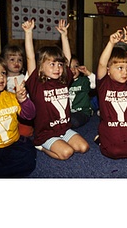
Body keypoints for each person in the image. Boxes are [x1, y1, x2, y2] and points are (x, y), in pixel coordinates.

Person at [22, 19, 89, 160]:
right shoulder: (36, 83)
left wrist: (64, 36)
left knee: (84, 148)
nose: (57, 68)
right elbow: (30, 57)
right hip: (46, 133)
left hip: (64, 129)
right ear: (41, 66)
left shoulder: (63, 81)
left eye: (59, 65)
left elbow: (68, 59)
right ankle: (40, 146)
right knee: (66, 153)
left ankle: (59, 142)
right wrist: (28, 33)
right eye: (52, 64)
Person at [96, 26, 127, 159]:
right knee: (113, 153)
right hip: (110, 128)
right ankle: (100, 139)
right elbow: (102, 63)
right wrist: (111, 43)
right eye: (120, 68)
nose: (125, 71)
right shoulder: (104, 83)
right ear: (109, 70)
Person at [0, 54, 36, 177]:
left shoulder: (11, 97)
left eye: (3, 73)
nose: (1, 77)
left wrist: (23, 100)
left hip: (13, 143)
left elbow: (30, 116)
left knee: (28, 157)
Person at [0, 44, 34, 137]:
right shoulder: (1, 79)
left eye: (20, 60)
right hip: (7, 113)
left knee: (25, 133)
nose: (16, 63)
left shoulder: (26, 78)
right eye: (12, 59)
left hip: (23, 113)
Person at [69, 54, 96, 129]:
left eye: (75, 66)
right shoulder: (62, 83)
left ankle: (92, 107)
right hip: (67, 113)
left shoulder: (83, 81)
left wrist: (87, 72)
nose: (73, 70)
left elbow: (98, 84)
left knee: (74, 121)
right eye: (69, 67)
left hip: (82, 112)